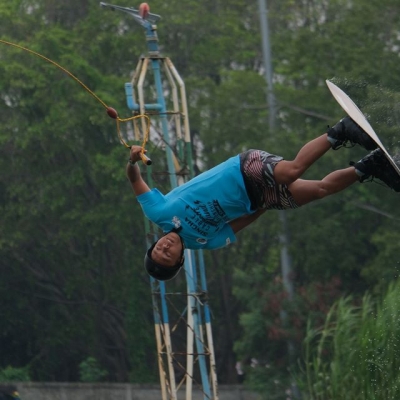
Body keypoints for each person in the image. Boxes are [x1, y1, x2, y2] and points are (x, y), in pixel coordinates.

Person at [126, 117, 400, 281]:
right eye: (167, 256)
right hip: (257, 197)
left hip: (243, 168)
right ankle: (371, 166)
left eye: (158, 249)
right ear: (178, 261)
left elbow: (135, 179)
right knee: (319, 190)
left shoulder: (158, 212)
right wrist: (265, 205)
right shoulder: (204, 242)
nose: (164, 248)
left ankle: (341, 130)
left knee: (292, 171)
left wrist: (132, 160)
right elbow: (242, 222)